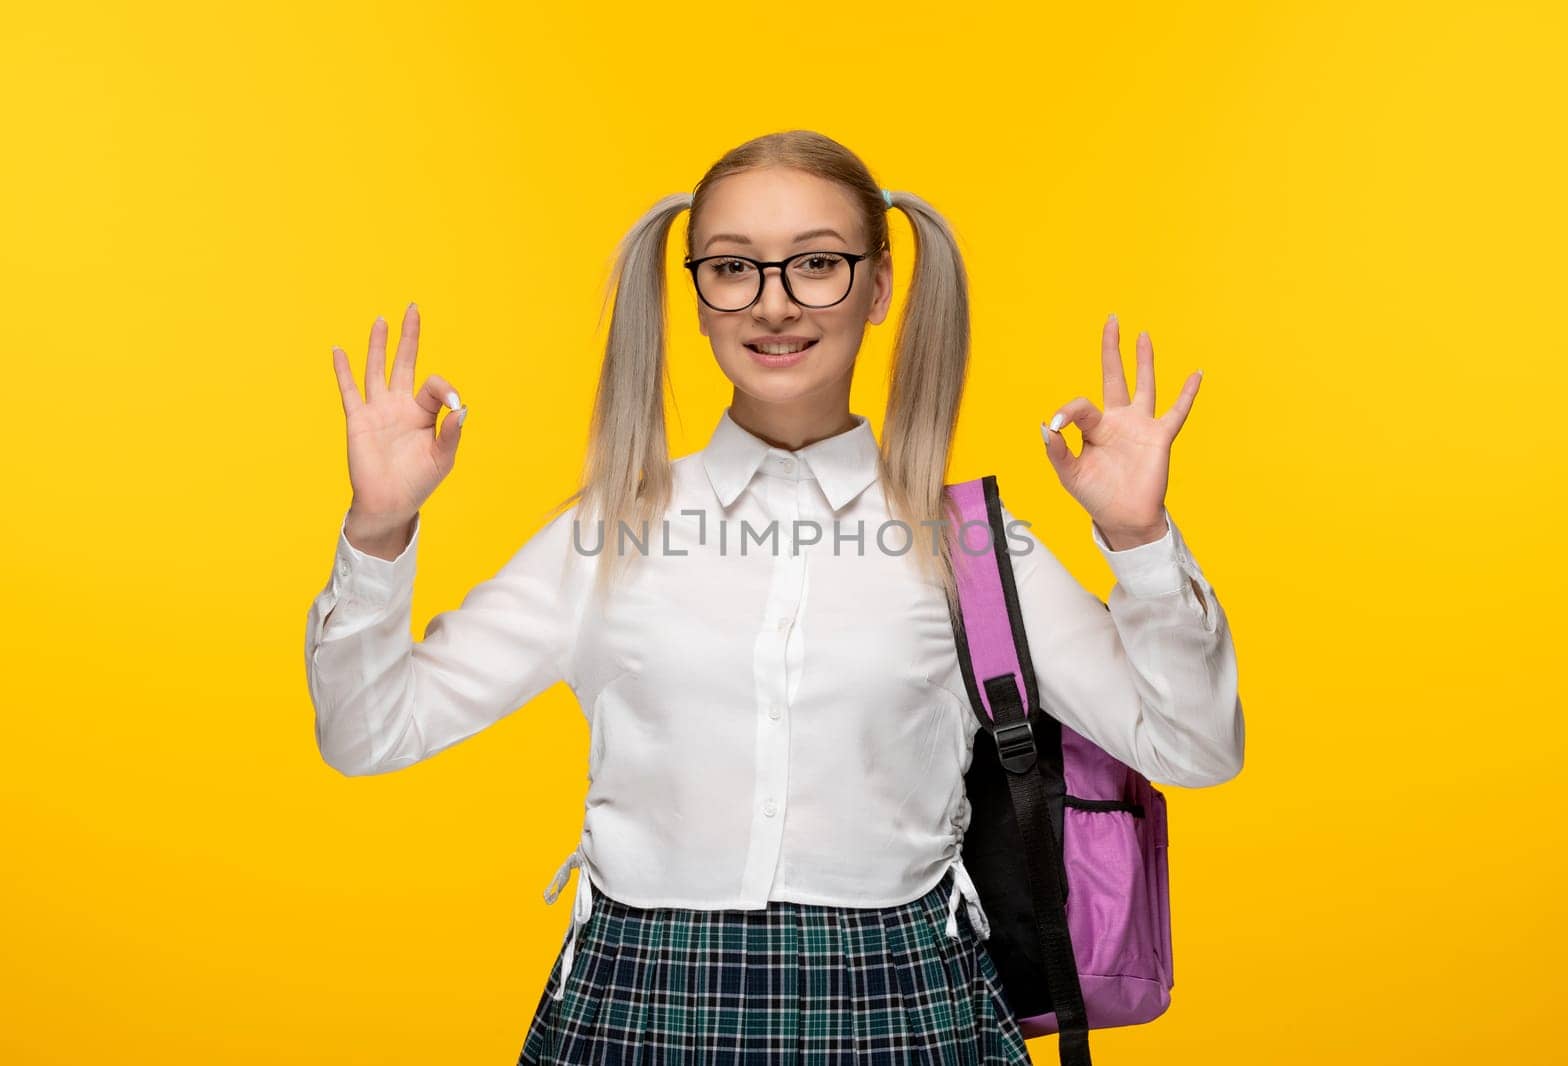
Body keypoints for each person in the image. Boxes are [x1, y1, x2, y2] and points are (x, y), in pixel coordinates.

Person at [303, 129, 1245, 1065]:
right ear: (698, 294)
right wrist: (379, 529)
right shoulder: (606, 533)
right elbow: (370, 733)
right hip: (641, 1004)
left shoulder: (968, 544)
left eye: (817, 264)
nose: (774, 303)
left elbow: (1193, 749)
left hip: (908, 1005)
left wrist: (1139, 539)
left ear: (879, 287)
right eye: (733, 268)